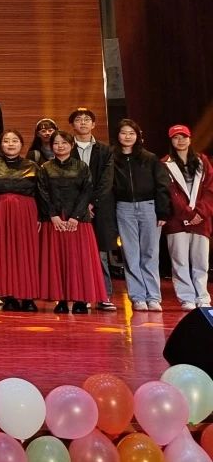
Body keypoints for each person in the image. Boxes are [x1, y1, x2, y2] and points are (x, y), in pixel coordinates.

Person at [37, 129, 106, 314]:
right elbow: (42, 193)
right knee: (57, 261)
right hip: (55, 221)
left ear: (72, 145)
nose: (60, 146)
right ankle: (60, 299)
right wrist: (53, 216)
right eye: (56, 143)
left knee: (79, 261)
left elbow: (87, 192)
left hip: (78, 221)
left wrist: (76, 217)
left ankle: (81, 300)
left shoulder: (82, 167)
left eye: (64, 143)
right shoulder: (45, 168)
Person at [112, 119, 170, 312]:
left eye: (132, 133)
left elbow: (162, 185)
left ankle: (153, 297)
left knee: (150, 253)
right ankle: (137, 297)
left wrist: (163, 211)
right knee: (130, 254)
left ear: (138, 136)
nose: (127, 136)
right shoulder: (111, 158)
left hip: (149, 207)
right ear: (118, 135)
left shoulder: (150, 158)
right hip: (123, 208)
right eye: (123, 133)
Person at [69, 107, 118, 311]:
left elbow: (106, 181)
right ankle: (82, 294)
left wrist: (91, 203)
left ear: (93, 124)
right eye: (78, 119)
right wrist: (80, 206)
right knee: (77, 253)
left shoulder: (105, 150)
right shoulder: (66, 147)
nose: (83, 122)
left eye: (87, 119)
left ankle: (103, 295)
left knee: (100, 253)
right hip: (73, 209)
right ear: (72, 125)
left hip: (99, 208)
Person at [0, 130, 41, 312]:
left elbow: (41, 193)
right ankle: (8, 295)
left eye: (15, 141)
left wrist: (40, 216)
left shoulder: (33, 166)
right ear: (0, 144)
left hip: (25, 213)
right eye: (6, 141)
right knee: (3, 253)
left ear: (21, 144)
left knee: (26, 253)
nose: (10, 144)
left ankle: (28, 296)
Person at [161, 125, 212, 310]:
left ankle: (202, 297)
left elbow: (210, 189)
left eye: (184, 137)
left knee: (201, 261)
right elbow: (168, 192)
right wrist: (187, 214)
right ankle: (187, 298)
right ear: (171, 141)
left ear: (190, 139)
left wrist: (200, 213)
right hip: (177, 220)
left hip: (201, 220)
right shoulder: (164, 164)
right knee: (180, 261)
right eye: (176, 137)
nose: (180, 141)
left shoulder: (202, 161)